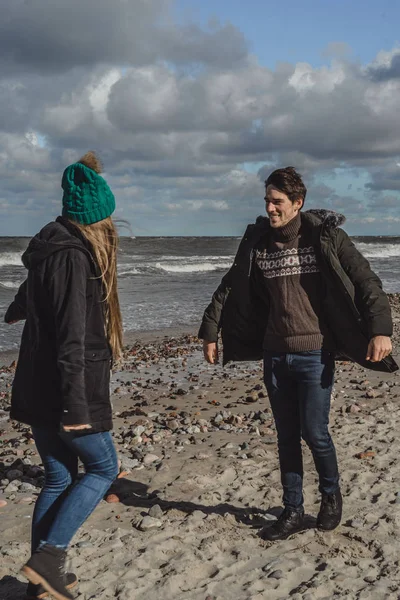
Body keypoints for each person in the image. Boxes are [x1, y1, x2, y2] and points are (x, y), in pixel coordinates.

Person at [199, 166, 397, 542]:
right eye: (267, 202)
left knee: (314, 432)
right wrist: (210, 331)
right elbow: (231, 285)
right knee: (286, 436)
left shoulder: (325, 237)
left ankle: (330, 496)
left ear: (297, 203)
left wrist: (380, 329)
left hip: (314, 353)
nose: (271, 209)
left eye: (278, 202)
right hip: (274, 355)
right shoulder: (258, 242)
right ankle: (292, 510)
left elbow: (366, 280)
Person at [5, 152, 122, 599]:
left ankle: (40, 583)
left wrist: (17, 311)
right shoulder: (74, 257)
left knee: (57, 477)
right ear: (96, 220)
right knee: (102, 467)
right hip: (66, 390)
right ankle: (50, 557)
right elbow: (74, 335)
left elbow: (30, 298)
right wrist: (77, 405)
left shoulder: (49, 249)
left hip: (37, 384)